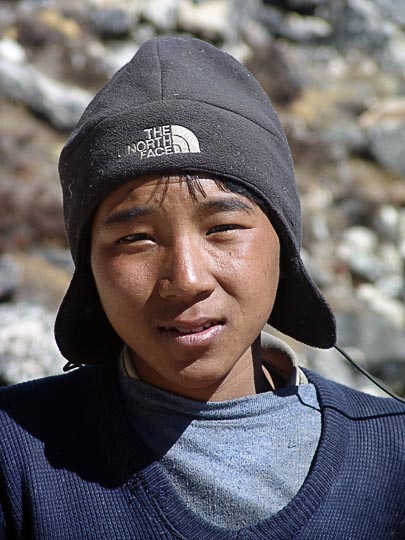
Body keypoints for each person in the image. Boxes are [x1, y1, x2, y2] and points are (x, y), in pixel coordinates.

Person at [0, 36, 404, 540]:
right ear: (88, 269)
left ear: (283, 242)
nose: (187, 279)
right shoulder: (16, 453)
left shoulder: (392, 452)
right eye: (136, 238)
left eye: (222, 229)